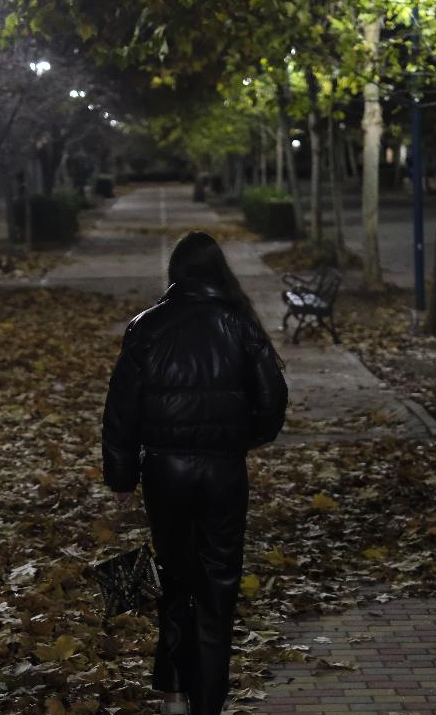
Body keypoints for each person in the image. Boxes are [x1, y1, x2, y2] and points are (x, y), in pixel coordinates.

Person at [101, 231, 288, 715]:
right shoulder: (240, 324)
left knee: (173, 578)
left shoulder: (146, 327)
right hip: (223, 472)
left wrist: (122, 478)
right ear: (218, 271)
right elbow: (273, 401)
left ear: (175, 274)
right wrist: (241, 437)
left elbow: (121, 410)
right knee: (218, 586)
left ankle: (173, 693)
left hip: (165, 470)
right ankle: (208, 703)